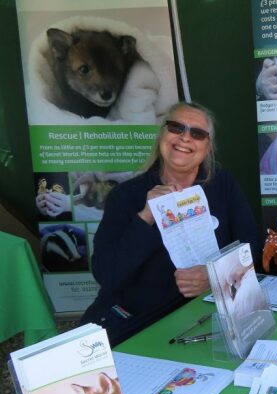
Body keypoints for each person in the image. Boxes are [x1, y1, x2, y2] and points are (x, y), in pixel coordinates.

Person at [81, 102, 260, 345]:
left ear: (207, 148)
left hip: (204, 320)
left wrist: (214, 277)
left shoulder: (222, 184)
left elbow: (251, 247)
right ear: (162, 135)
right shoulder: (126, 196)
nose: (185, 138)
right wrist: (145, 216)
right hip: (139, 323)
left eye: (197, 133)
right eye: (176, 127)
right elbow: (108, 275)